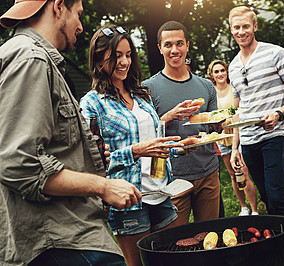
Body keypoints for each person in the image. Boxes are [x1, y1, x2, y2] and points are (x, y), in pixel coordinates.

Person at [0, 1, 142, 265]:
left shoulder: (34, 57)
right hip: (59, 240)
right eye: (78, 14)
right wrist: (104, 186)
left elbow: (43, 148)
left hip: (65, 238)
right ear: (58, 7)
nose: (79, 26)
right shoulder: (31, 59)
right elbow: (19, 164)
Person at [80, 25, 195, 266]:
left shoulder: (141, 95)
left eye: (128, 55)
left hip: (161, 191)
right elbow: (91, 161)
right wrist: (135, 151)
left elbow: (154, 144)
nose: (124, 62)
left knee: (174, 259)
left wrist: (181, 147)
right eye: (116, 56)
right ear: (100, 58)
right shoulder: (91, 104)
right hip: (128, 200)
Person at [228, 6, 284, 217]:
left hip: (274, 135)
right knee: (265, 196)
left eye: (246, 26)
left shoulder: (275, 53)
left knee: (277, 196)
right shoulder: (233, 66)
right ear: (231, 30)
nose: (241, 31)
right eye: (237, 27)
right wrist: (235, 147)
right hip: (248, 141)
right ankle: (278, 243)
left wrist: (279, 114)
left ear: (255, 26)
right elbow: (237, 110)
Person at [143, 21, 221, 225]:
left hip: (208, 171)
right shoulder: (147, 89)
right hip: (172, 177)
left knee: (210, 235)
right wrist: (169, 116)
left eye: (179, 43)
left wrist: (221, 123)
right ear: (159, 48)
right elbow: (143, 135)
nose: (175, 50)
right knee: (177, 243)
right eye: (168, 45)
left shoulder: (206, 86)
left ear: (187, 45)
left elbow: (214, 127)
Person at [207, 59, 258, 216]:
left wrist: (236, 141)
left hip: (238, 135)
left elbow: (238, 116)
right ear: (211, 75)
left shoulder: (233, 89)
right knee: (232, 174)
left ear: (227, 72)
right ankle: (243, 207)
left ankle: (254, 210)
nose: (220, 74)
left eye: (222, 70)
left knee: (243, 171)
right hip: (223, 138)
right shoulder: (211, 93)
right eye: (216, 72)